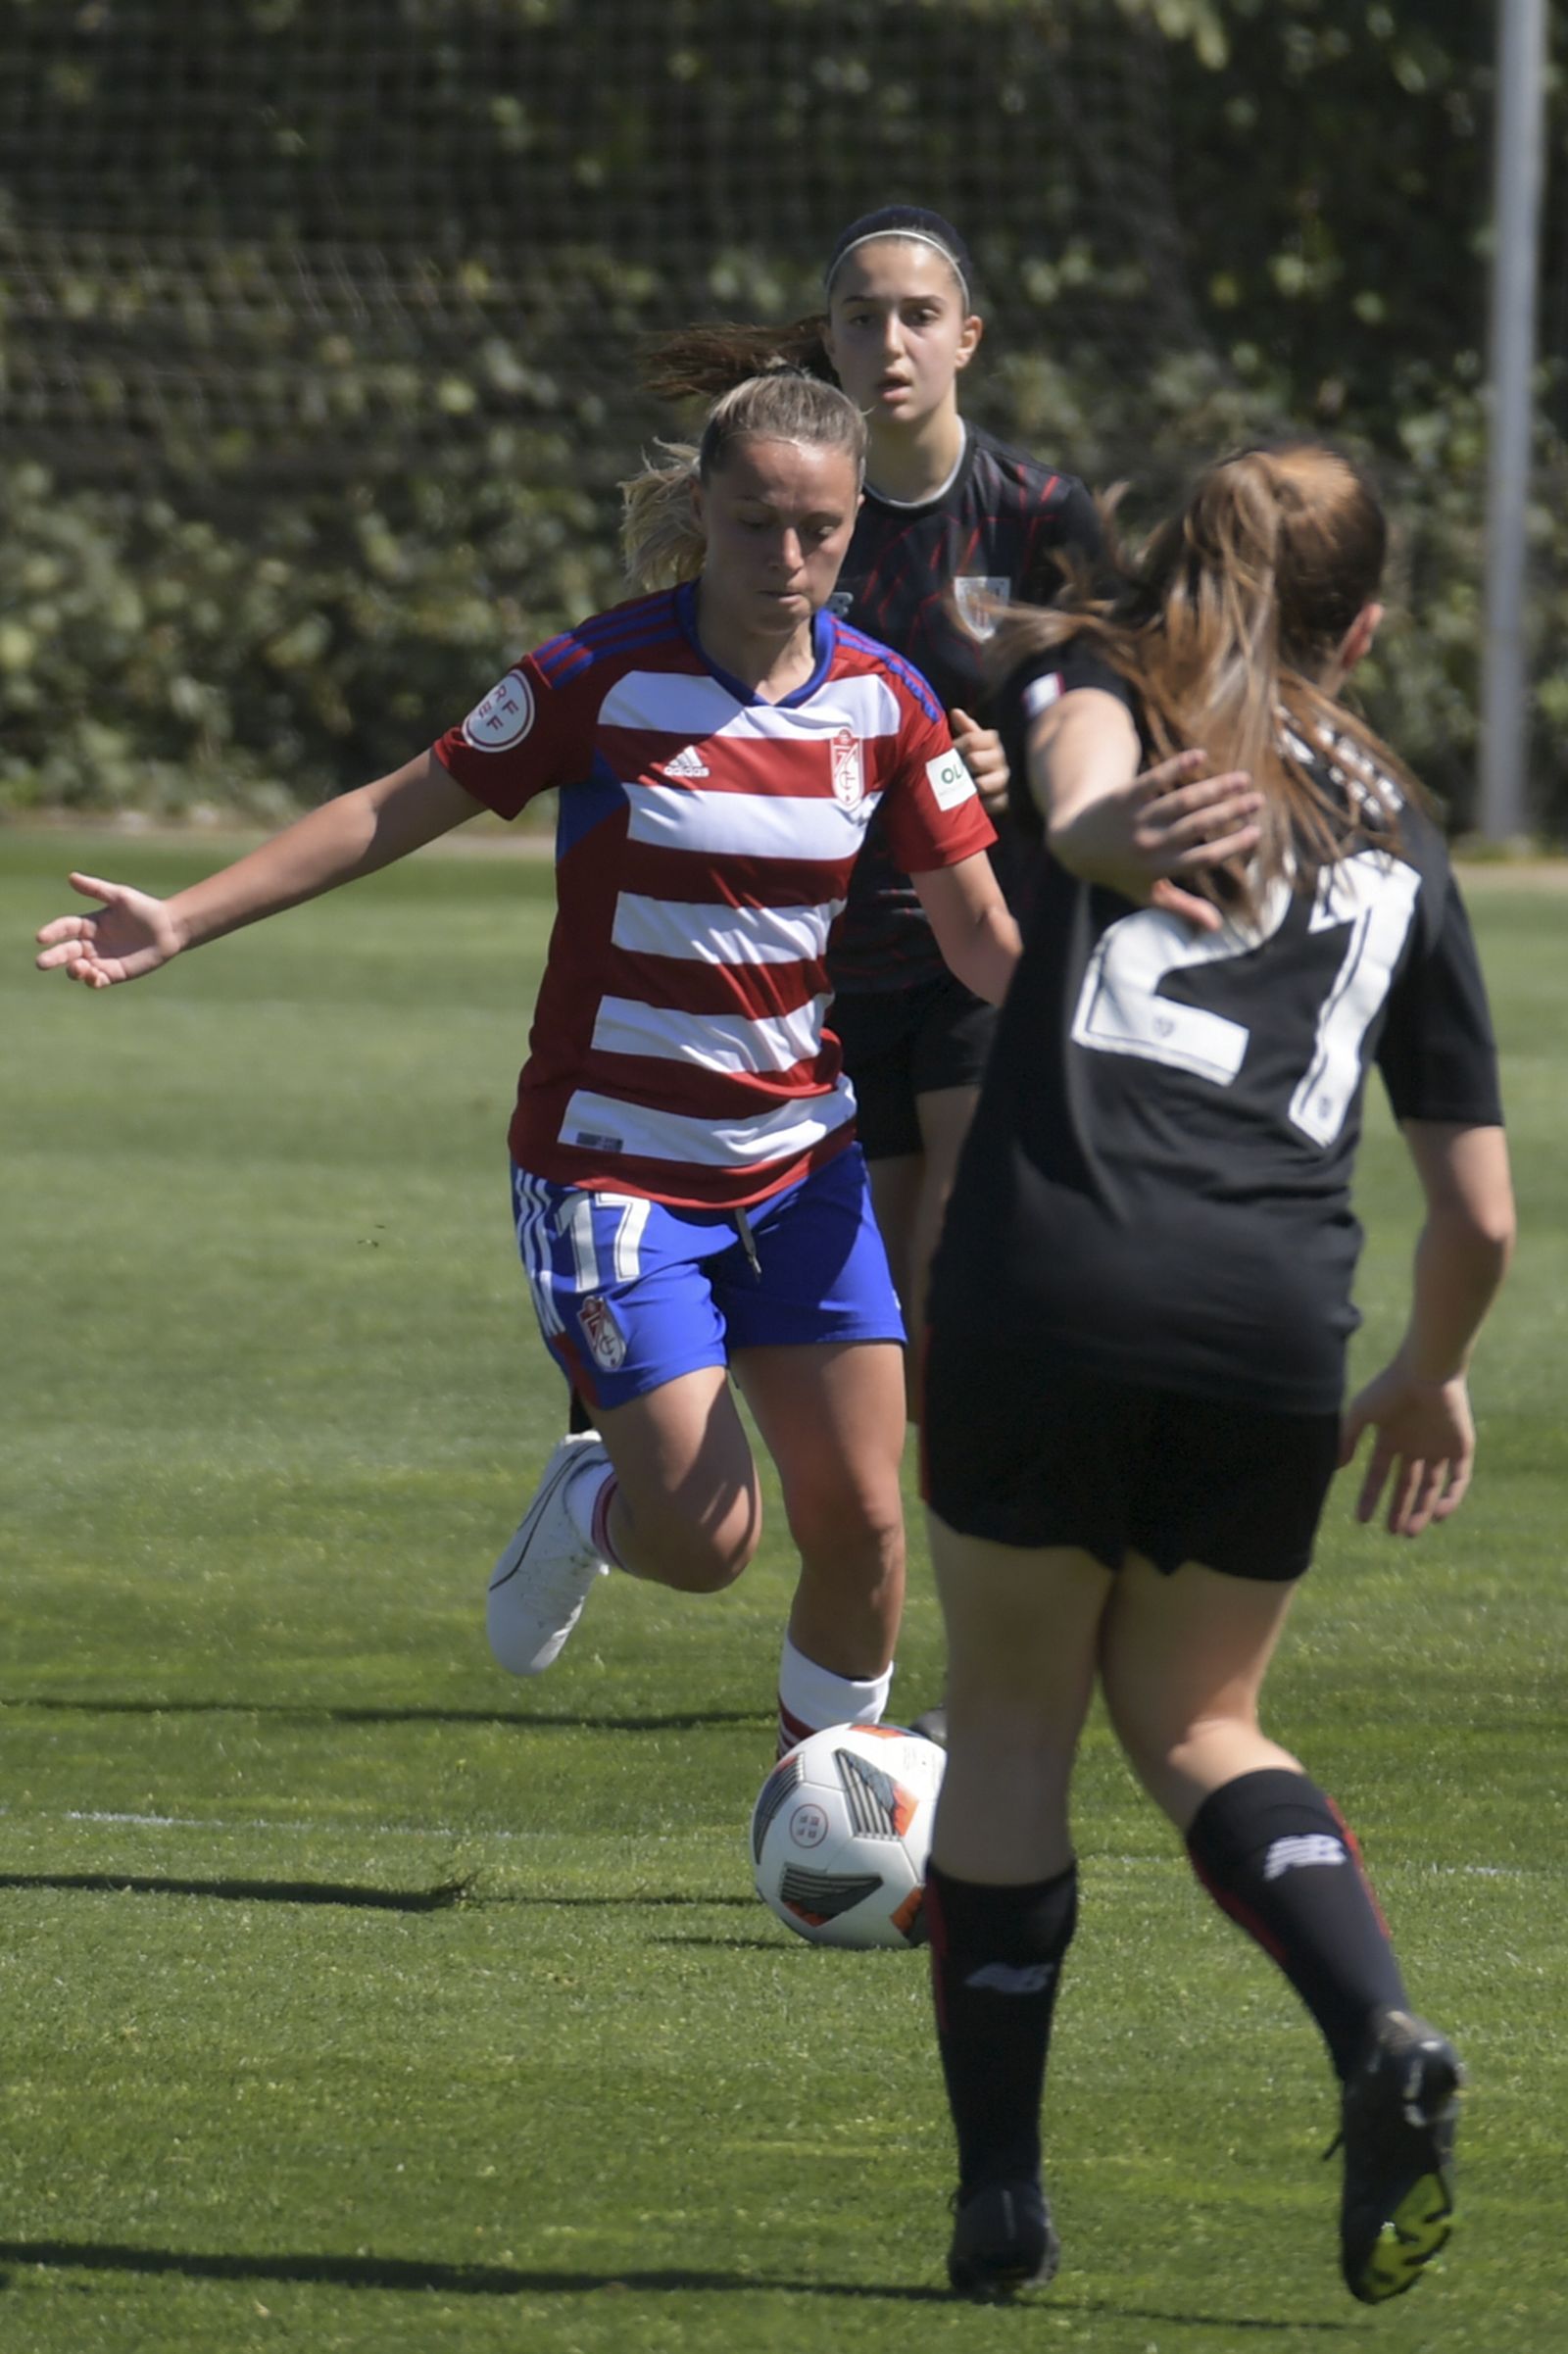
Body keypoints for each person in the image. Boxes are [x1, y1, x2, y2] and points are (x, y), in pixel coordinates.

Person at [35, 368, 1020, 1763]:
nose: (787, 561)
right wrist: (183, 917)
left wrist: (1116, 1036)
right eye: (754, 525)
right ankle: (593, 1507)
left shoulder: (889, 705)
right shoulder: (598, 675)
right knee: (711, 1541)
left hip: (803, 1167)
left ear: (858, 523)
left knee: (863, 1521)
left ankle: (823, 1820)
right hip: (615, 1174)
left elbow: (985, 943)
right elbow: (391, 805)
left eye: (820, 530)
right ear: (701, 510)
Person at [916, 444, 1514, 2304]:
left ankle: (1002, 2200)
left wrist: (1097, 838)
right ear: (1373, 625)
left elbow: (1086, 803)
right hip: (1270, 1313)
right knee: (1197, 1724)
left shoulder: (1108, 688)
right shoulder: (1408, 838)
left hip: (1053, 1271)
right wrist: (1425, 1374)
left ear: (1176, 573)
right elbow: (1480, 1215)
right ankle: (1376, 2030)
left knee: (1014, 1725)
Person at [645, 205, 1102, 1398]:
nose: (891, 342)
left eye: (919, 316)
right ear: (830, 344)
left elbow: (1117, 706)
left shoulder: (1037, 510)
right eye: (863, 318)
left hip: (973, 931)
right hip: (823, 949)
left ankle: (962, 1545)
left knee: (960, 1269)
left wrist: (1030, 763)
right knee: (874, 1307)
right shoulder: (785, 506)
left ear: (968, 337)